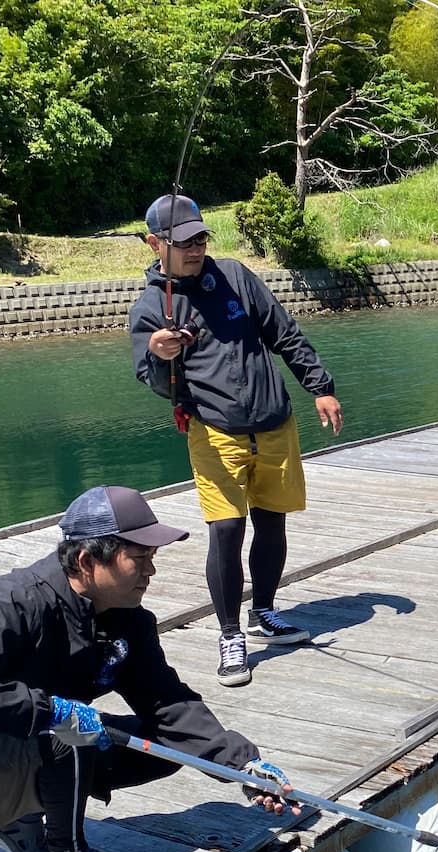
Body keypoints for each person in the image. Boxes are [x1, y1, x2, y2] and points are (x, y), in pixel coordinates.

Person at [0, 486, 293, 852]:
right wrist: (50, 712)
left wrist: (243, 766)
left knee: (162, 744)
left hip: (10, 757)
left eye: (152, 559)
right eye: (140, 558)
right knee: (64, 728)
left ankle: (18, 821)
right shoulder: (16, 601)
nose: (151, 572)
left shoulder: (126, 621)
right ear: (86, 560)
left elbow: (168, 703)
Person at [128, 192, 344, 687]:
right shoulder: (149, 310)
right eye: (183, 242)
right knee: (226, 531)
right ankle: (230, 634)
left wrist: (320, 387)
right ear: (154, 243)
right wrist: (161, 356)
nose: (195, 248)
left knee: (273, 525)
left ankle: (263, 612)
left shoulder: (236, 277)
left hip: (275, 422)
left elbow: (283, 333)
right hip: (215, 431)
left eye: (201, 238)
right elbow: (160, 387)